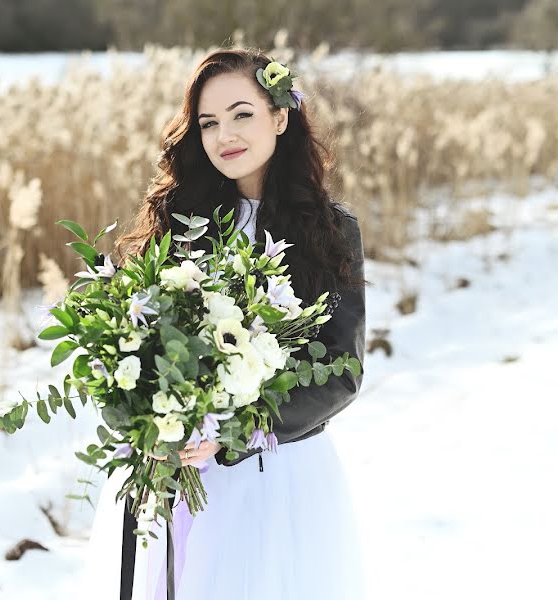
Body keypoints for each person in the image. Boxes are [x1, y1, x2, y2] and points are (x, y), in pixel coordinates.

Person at [80, 47, 367, 600]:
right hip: (173, 473)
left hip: (275, 478)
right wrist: (143, 409)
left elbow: (342, 372)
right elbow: (130, 335)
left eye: (242, 114)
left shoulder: (329, 231)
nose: (224, 135)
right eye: (208, 123)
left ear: (279, 117)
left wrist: (234, 433)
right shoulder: (178, 222)